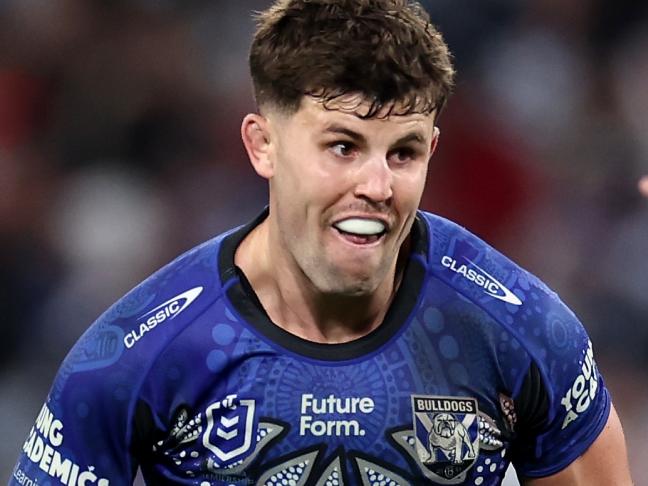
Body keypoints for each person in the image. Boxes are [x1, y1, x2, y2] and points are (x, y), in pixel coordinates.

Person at [10, 0, 634, 485]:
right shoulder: (135, 357)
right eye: (342, 147)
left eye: (404, 152)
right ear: (263, 145)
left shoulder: (524, 330)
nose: (376, 185)